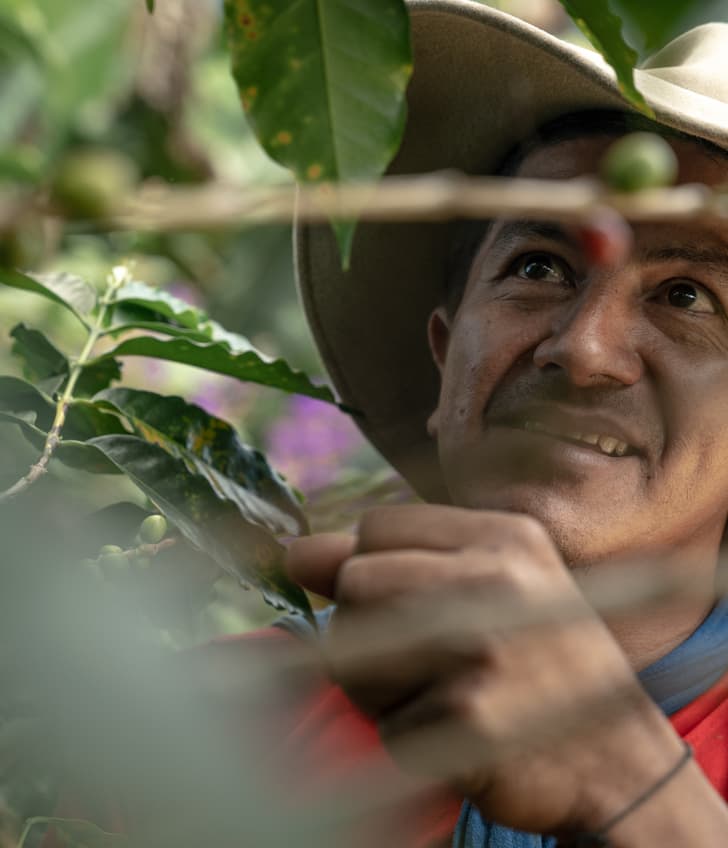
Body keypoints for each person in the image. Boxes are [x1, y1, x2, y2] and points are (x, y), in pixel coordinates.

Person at [282, 1, 728, 846]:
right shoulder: (213, 722)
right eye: (540, 267)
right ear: (446, 356)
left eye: (688, 298)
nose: (585, 349)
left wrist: (635, 789)